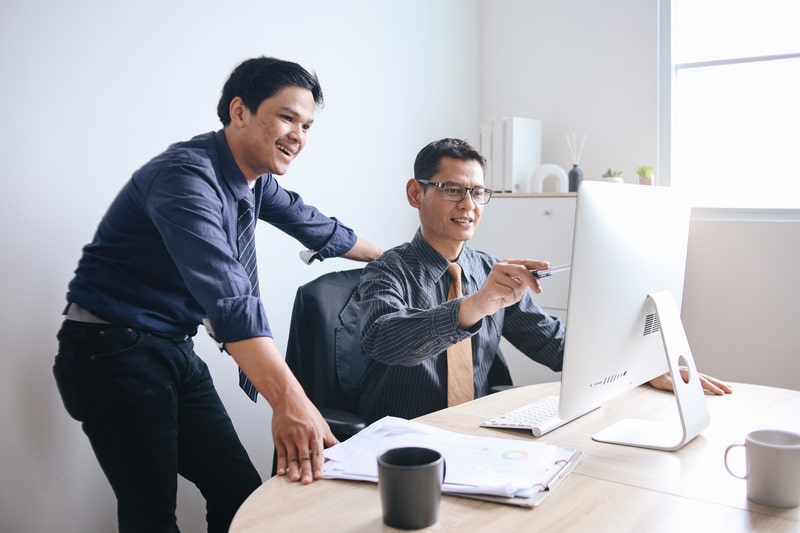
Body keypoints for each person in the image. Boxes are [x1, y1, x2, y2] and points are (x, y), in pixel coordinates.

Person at [52, 56, 382, 532]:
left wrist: (388, 257)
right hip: (109, 350)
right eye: (287, 117)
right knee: (151, 512)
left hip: (168, 346)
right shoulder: (186, 178)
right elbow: (229, 299)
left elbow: (315, 226)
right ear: (240, 110)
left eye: (307, 125)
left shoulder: (254, 181)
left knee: (240, 494)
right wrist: (290, 401)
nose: (298, 135)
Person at [357, 137, 730, 424]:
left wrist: (641, 370)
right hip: (404, 442)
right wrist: (473, 306)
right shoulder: (387, 271)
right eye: (453, 190)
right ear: (414, 193)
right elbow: (384, 341)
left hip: (476, 432)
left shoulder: (487, 271)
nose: (469, 204)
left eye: (479, 192)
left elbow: (555, 344)